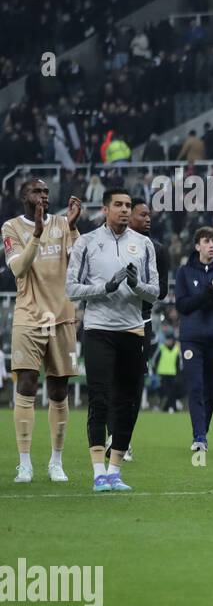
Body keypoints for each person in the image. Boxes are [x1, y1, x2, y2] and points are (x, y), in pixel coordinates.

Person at [65, 188, 159, 491]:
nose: (123, 210)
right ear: (106, 209)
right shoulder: (87, 242)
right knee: (100, 397)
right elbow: (71, 289)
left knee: (127, 402)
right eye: (117, 204)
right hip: (98, 329)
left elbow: (154, 292)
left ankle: (115, 471)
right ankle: (97, 473)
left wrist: (134, 284)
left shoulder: (143, 244)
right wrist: (106, 287)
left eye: (128, 205)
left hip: (132, 329)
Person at [3, 179, 80, 483]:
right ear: (24, 196)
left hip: (61, 316)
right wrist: (36, 234)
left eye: (46, 193)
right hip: (28, 315)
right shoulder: (11, 227)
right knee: (26, 383)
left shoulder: (62, 224)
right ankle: (25, 462)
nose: (43, 197)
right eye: (37, 192)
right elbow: (18, 268)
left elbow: (78, 263)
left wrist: (73, 227)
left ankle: (56, 461)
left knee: (59, 390)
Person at [175, 226, 213, 452]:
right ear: (197, 246)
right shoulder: (184, 272)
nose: (211, 245)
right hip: (192, 339)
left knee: (211, 390)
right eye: (206, 241)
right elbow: (182, 306)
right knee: (195, 387)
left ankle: (202, 432)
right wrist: (203, 296)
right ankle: (199, 437)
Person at [124, 198, 170, 462]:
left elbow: (162, 291)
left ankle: (123, 440)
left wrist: (137, 285)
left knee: (134, 383)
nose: (148, 219)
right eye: (142, 215)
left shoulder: (158, 249)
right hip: (110, 321)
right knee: (111, 382)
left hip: (141, 321)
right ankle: (110, 436)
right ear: (128, 216)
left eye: (149, 215)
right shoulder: (111, 245)